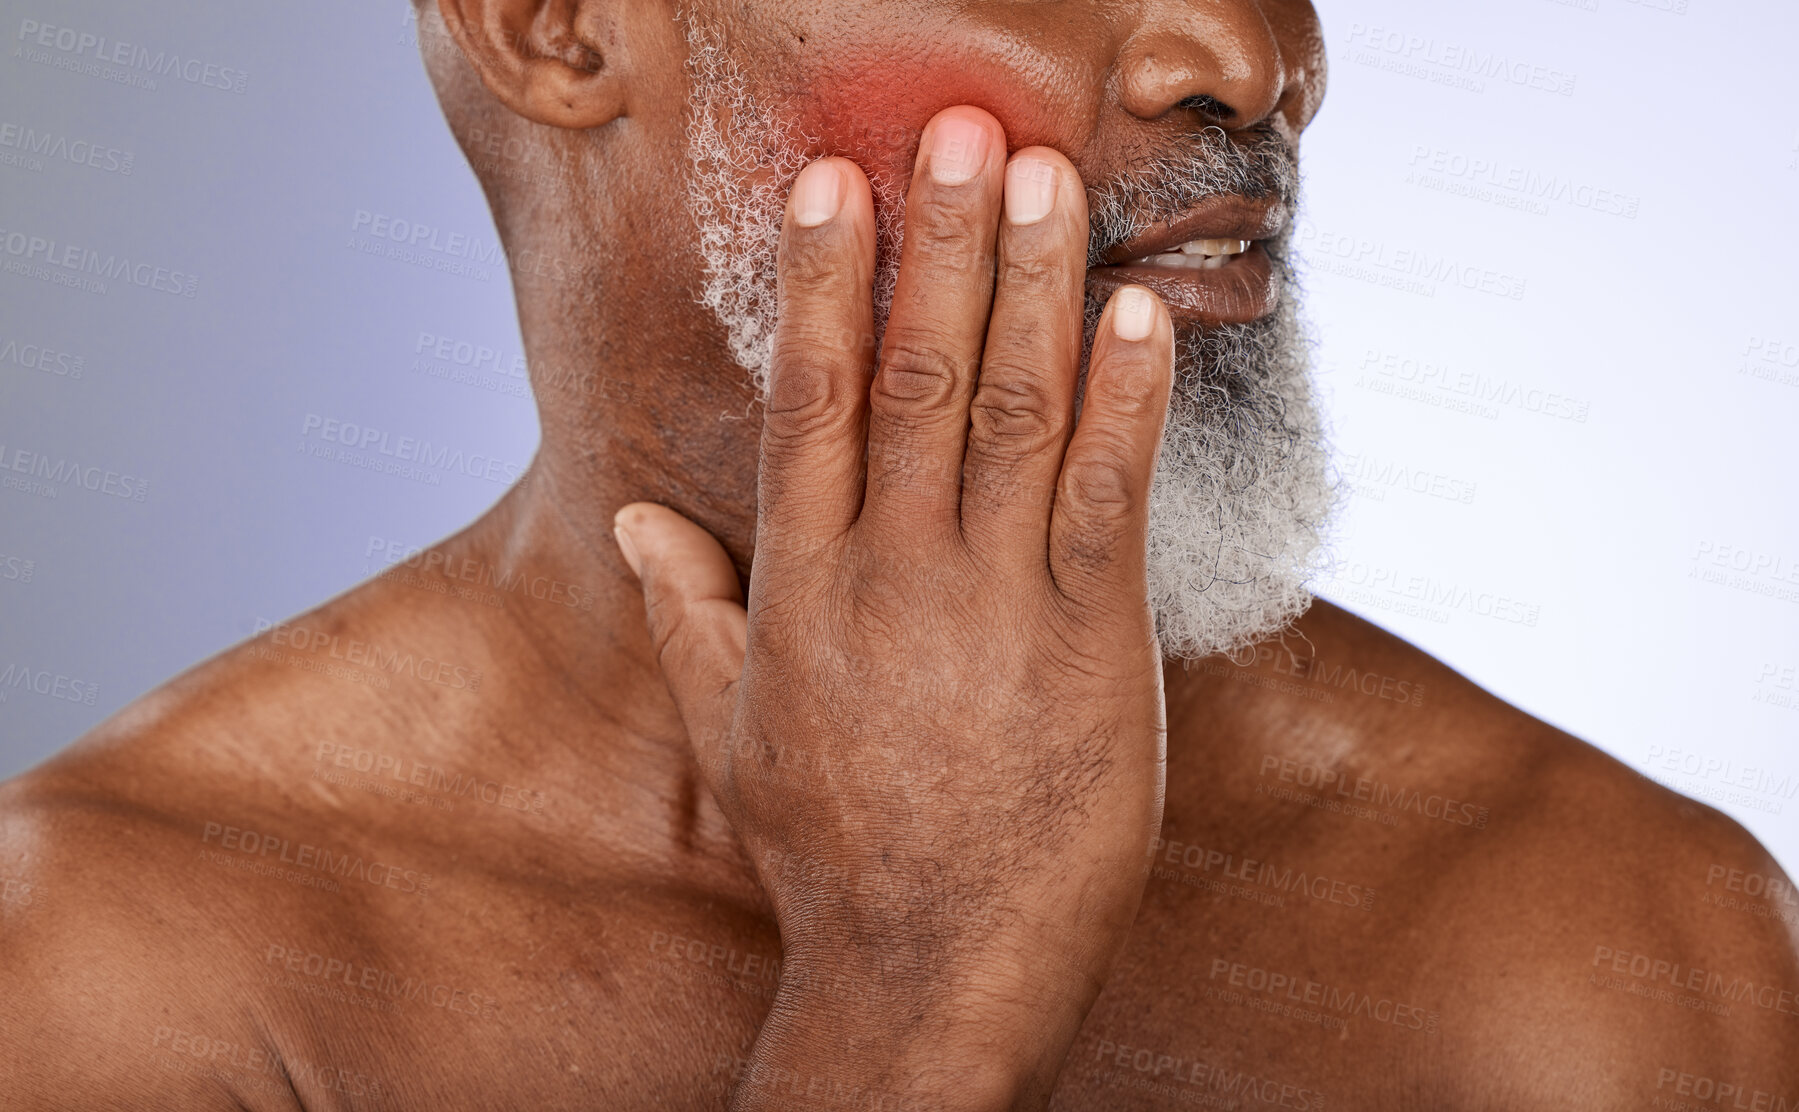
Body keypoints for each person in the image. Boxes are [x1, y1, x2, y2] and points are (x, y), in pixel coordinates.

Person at [4, 0, 1795, 1106]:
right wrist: (919, 990)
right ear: (553, 22)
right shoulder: (117, 978)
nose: (1257, 56)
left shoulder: (1600, 943)